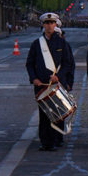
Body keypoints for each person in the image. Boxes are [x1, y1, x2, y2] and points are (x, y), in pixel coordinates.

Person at [26, 12, 75, 151]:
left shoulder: (62, 43)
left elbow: (68, 63)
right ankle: (45, 141)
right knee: (44, 114)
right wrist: (33, 78)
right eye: (47, 23)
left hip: (57, 84)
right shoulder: (36, 44)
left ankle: (55, 140)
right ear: (43, 25)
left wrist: (58, 76)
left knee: (57, 113)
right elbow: (29, 63)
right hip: (41, 84)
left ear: (55, 24)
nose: (49, 26)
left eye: (52, 23)